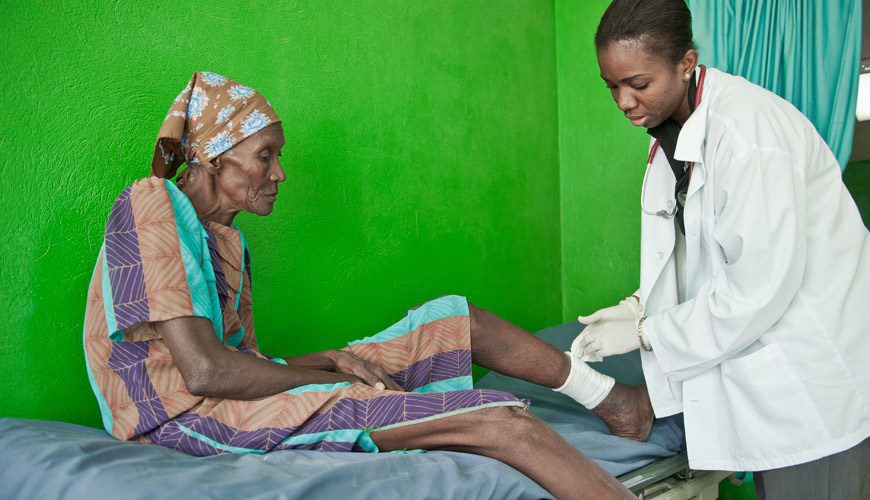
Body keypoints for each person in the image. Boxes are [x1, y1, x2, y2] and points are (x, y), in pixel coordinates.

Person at [82, 71, 638, 499]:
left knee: (452, 319)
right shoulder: (150, 204)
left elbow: (233, 363)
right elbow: (205, 373)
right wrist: (323, 381)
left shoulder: (223, 237)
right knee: (501, 419)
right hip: (179, 421)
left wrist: (325, 359)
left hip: (219, 398)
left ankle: (614, 401)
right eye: (265, 155)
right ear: (210, 158)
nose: (279, 174)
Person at [570, 1, 870, 498]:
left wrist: (647, 333)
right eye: (612, 86)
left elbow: (757, 288)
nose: (623, 101)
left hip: (813, 381)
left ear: (686, 63)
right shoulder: (672, 133)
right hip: (769, 373)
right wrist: (637, 307)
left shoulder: (749, 135)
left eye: (638, 84)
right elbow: (698, 256)